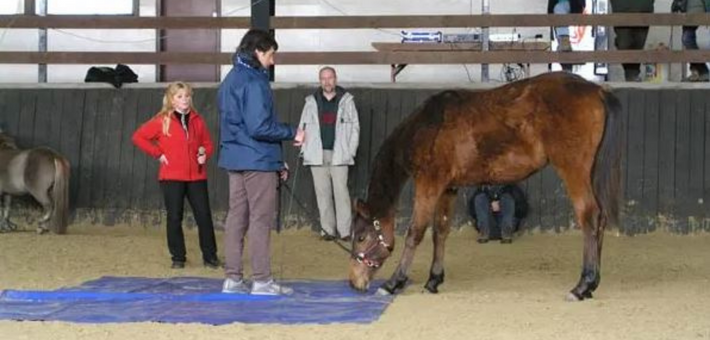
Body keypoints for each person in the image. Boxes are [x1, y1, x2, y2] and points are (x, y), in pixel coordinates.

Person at [218, 29, 305, 296]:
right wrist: (293, 132)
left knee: (236, 218)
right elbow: (259, 127)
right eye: (271, 54)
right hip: (257, 160)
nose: (272, 60)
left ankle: (232, 278)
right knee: (260, 220)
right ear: (258, 51)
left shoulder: (230, 78)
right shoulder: (255, 82)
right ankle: (262, 280)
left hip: (235, 158)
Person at [132, 82, 220, 270]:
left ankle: (210, 257)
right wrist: (158, 154)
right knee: (174, 217)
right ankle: (178, 257)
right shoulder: (162, 120)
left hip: (197, 176)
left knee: (204, 216)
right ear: (171, 99)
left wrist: (205, 153)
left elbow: (207, 143)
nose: (184, 100)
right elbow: (138, 137)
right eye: (180, 96)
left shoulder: (197, 120)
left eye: (187, 96)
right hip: (172, 177)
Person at [298, 67, 360, 242]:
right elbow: (302, 127)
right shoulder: (310, 102)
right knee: (322, 193)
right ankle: (328, 230)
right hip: (317, 154)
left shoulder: (347, 101)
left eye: (330, 78)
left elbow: (355, 129)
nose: (327, 82)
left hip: (339, 154)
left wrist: (350, 151)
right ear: (320, 81)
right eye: (323, 78)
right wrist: (304, 150)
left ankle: (345, 231)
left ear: (335, 79)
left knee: (341, 193)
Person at [611, 0, 655, 81]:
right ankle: (630, 73)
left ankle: (633, 74)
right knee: (623, 43)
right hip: (621, 10)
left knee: (639, 43)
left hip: (643, 10)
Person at [672, 0, 709, 82]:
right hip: (688, 9)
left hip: (695, 9)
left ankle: (702, 70)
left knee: (687, 38)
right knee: (688, 38)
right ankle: (697, 71)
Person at [547, 0, 586, 71]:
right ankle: (567, 69)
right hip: (557, 9)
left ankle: (564, 42)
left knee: (558, 8)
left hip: (572, 4)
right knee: (562, 46)